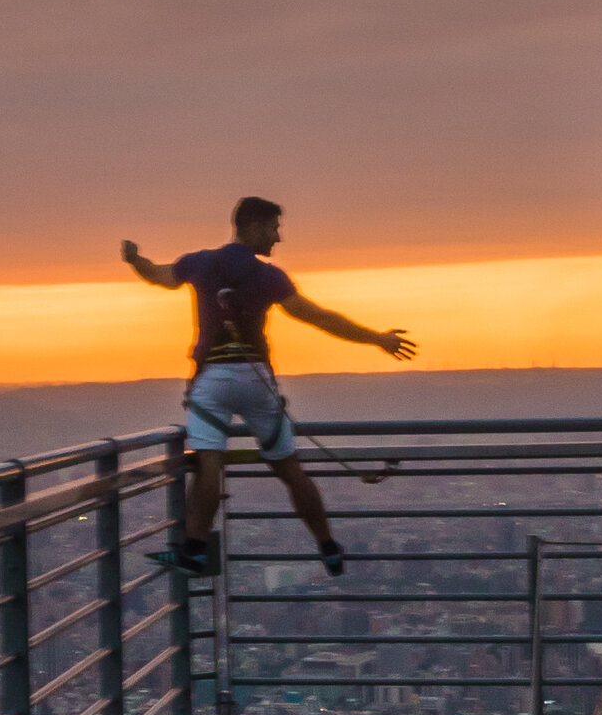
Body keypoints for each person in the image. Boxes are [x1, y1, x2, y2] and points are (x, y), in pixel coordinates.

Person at [121, 198, 416, 577]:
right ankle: (326, 545)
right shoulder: (269, 276)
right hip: (256, 378)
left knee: (208, 463)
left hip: (211, 379)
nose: (278, 237)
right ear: (255, 225)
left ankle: (193, 549)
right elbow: (319, 317)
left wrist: (134, 260)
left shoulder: (199, 263)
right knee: (290, 470)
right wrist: (376, 338)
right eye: (275, 227)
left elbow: (157, 275)